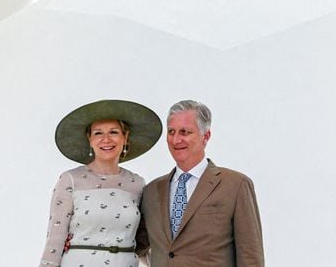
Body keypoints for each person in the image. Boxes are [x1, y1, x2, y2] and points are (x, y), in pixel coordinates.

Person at [136, 100, 264, 267]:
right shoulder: (151, 191)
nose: (176, 140)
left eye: (185, 132)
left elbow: (250, 257)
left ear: (206, 136)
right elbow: (135, 245)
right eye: (171, 132)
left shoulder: (236, 186)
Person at [39, 99, 162, 267]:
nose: (106, 139)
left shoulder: (137, 184)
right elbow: (55, 240)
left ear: (125, 137)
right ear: (89, 139)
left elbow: (144, 240)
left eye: (113, 132)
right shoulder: (71, 180)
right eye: (98, 133)